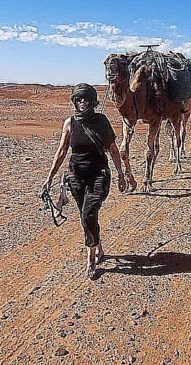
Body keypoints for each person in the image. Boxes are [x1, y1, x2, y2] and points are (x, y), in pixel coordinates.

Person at [44, 83, 129, 279]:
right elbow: (62, 151)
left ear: (92, 101)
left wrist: (121, 174)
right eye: (79, 99)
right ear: (74, 101)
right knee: (87, 216)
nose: (82, 102)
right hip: (76, 177)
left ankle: (91, 259)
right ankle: (98, 246)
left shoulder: (101, 121)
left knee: (88, 213)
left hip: (99, 174)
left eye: (86, 99)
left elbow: (113, 149)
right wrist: (49, 177)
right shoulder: (69, 123)